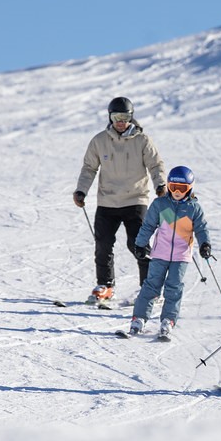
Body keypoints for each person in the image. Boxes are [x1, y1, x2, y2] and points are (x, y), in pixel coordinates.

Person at [73, 97, 167, 307]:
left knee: (138, 244)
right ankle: (105, 285)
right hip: (107, 201)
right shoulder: (99, 141)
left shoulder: (142, 140)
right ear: (110, 117)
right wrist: (81, 190)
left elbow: (156, 165)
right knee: (103, 245)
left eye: (124, 117)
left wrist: (161, 185)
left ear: (131, 117)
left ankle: (149, 288)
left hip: (135, 199)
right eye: (116, 117)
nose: (120, 122)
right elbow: (89, 168)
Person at [128, 166, 211, 340]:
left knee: (174, 288)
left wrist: (205, 244)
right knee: (151, 285)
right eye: (173, 187)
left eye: (181, 189)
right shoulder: (160, 204)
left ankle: (168, 320)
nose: (177, 192)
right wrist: (141, 244)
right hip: (160, 253)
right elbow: (148, 226)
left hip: (181, 256)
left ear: (189, 188)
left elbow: (201, 229)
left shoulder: (194, 208)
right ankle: (139, 318)